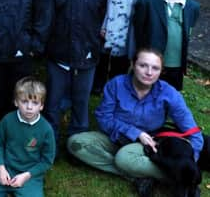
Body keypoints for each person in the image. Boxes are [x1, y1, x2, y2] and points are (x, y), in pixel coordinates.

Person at [67, 49, 204, 195]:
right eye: (143, 65)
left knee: (124, 158)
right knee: (76, 143)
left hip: (150, 144)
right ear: (133, 64)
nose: (149, 72)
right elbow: (103, 118)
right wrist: (135, 132)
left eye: (155, 68)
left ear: (161, 71)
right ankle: (146, 176)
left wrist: (190, 165)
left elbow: (193, 132)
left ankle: (176, 176)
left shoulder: (169, 93)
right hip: (115, 135)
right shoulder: (116, 85)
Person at [45, 0, 107, 149]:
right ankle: (49, 143)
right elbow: (47, 22)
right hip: (58, 57)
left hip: (86, 57)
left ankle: (77, 145)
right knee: (53, 103)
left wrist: (93, 47)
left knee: (81, 103)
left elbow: (99, 19)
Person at [0, 77, 55, 197]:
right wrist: (1, 167)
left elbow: (47, 160)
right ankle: (4, 188)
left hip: (29, 174)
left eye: (35, 103)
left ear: (41, 106)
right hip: (6, 167)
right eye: (24, 101)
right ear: (16, 102)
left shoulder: (46, 129)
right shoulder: (8, 120)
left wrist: (28, 175)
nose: (29, 107)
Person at [133, 0, 200, 91]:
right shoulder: (147, 1)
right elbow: (138, 32)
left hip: (176, 64)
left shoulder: (193, 7)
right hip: (151, 62)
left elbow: (188, 30)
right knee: (146, 93)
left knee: (169, 96)